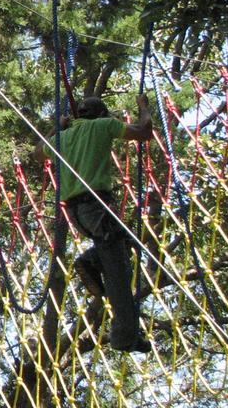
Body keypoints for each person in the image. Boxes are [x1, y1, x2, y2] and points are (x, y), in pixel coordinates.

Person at [59, 93, 153, 353]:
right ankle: (124, 337)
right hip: (97, 207)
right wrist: (143, 107)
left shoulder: (62, 137)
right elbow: (144, 132)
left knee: (125, 243)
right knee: (118, 270)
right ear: (101, 114)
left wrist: (60, 127)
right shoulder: (103, 125)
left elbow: (36, 154)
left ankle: (91, 259)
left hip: (79, 215)